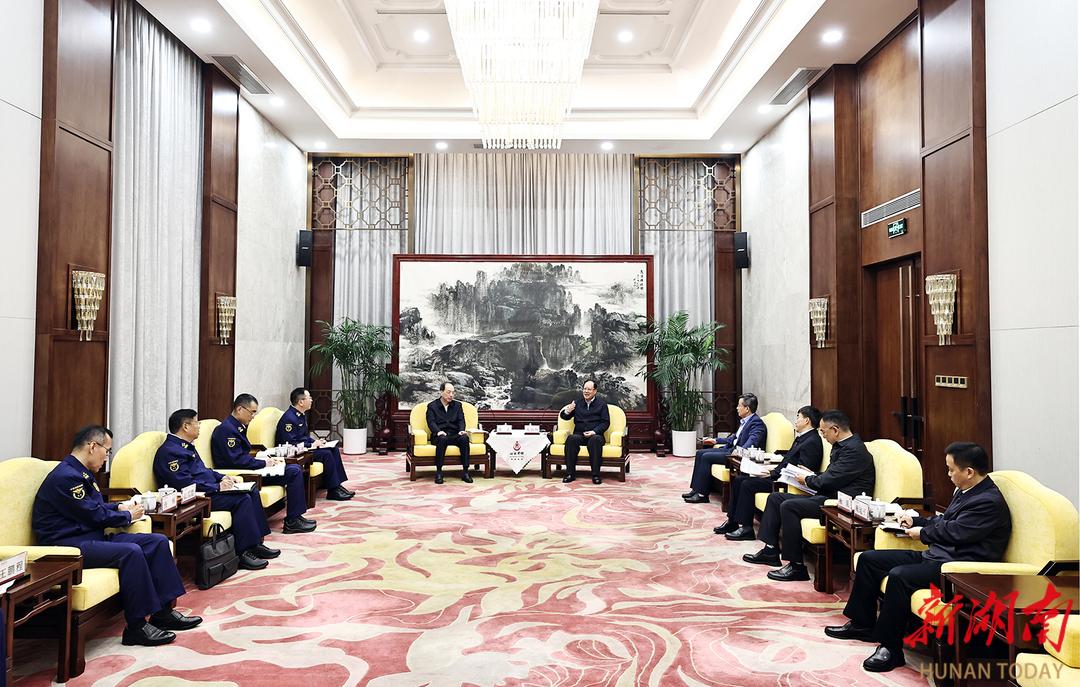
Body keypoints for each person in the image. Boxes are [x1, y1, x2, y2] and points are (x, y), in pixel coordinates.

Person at [825, 442, 1011, 672]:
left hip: (958, 566)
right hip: (937, 555)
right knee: (869, 559)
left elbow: (956, 532)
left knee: (900, 576)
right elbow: (945, 521)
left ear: (969, 472)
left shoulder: (988, 501)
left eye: (951, 470)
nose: (948, 474)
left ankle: (890, 648)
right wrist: (917, 521)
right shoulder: (968, 490)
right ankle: (862, 624)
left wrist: (922, 533)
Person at [33, 425, 201, 647]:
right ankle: (136, 627)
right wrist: (127, 516)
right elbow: (92, 514)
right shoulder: (66, 477)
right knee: (130, 552)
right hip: (67, 545)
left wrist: (119, 507)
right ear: (93, 446)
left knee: (157, 541)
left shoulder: (80, 472)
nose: (107, 457)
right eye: (107, 451)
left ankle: (163, 612)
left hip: (90, 536)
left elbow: (94, 507)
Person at [744, 409, 875, 581]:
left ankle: (797, 566)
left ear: (835, 430)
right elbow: (831, 476)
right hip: (828, 495)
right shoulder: (843, 446)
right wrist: (812, 475)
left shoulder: (854, 451)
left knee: (789, 506)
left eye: (824, 432)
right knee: (775, 498)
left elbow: (827, 481)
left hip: (839, 504)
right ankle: (770, 551)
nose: (823, 436)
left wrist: (807, 478)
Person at [154, 409, 278, 571]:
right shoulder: (171, 452)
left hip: (208, 490)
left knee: (252, 490)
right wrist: (217, 487)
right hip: (196, 498)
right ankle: (243, 553)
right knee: (242, 499)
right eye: (196, 422)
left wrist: (222, 477)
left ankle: (255, 544)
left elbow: (204, 471)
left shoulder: (185, 446)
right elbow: (184, 484)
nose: (199, 426)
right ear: (185, 426)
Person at [211, 393, 316, 534]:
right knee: (293, 471)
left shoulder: (237, 426)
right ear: (240, 409)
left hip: (250, 469)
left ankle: (295, 517)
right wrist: (263, 463)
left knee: (294, 469)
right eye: (252, 412)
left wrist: (265, 457)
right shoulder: (226, 430)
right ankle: (292, 522)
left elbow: (244, 454)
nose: (253, 416)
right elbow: (235, 460)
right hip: (242, 474)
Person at [715, 405, 824, 540]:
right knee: (739, 480)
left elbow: (802, 470)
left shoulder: (812, 441)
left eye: (798, 417)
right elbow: (788, 460)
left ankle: (747, 528)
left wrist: (773, 474)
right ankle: (732, 521)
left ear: (807, 420)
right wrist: (771, 470)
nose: (796, 421)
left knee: (747, 485)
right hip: (778, 475)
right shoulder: (803, 438)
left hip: (786, 482)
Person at [682, 393, 767, 504]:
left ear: (747, 409)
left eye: (739, 405)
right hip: (730, 449)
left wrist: (738, 451)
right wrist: (715, 440)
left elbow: (752, 442)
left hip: (737, 455)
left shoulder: (756, 423)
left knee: (706, 457)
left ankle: (702, 495)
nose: (737, 408)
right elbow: (733, 439)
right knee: (700, 453)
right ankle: (696, 489)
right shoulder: (745, 421)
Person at [277, 387, 354, 501]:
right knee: (326, 454)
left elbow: (303, 437)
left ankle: (337, 486)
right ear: (301, 402)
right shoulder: (289, 418)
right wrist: (311, 446)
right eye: (309, 398)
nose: (311, 400)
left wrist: (316, 442)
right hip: (294, 453)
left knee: (333, 450)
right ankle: (333, 490)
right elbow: (291, 442)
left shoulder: (300, 415)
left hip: (303, 448)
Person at [558, 379, 610, 485]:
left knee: (595, 440)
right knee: (571, 439)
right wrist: (568, 410)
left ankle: (595, 475)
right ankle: (570, 474)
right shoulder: (577, 403)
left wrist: (594, 432)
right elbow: (564, 417)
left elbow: (605, 423)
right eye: (584, 389)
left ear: (595, 391)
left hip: (595, 435)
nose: (586, 391)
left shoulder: (602, 404)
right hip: (580, 434)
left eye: (589, 389)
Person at [424, 382, 474, 484]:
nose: (451, 395)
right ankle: (439, 472)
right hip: (439, 435)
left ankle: (465, 472)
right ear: (441, 392)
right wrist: (438, 431)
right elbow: (431, 422)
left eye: (453, 393)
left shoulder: (457, 405)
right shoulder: (432, 406)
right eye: (448, 392)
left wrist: (461, 430)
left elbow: (461, 420)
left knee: (464, 438)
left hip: (454, 434)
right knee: (442, 439)